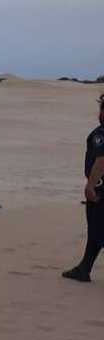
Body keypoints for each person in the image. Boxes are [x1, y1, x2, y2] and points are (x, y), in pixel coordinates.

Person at [64, 94, 104, 282]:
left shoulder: (101, 134)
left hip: (100, 191)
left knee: (97, 230)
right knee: (96, 232)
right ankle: (84, 268)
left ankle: (84, 268)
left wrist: (90, 186)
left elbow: (101, 160)